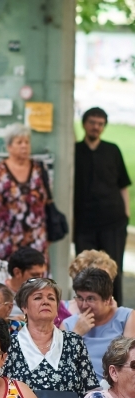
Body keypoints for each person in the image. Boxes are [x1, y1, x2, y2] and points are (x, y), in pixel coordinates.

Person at [0, 278, 98, 398]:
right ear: (24, 307)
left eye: (51, 298)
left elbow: (91, 389)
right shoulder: (8, 344)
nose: (45, 301)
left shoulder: (74, 341)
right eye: (38, 297)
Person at [75, 107, 131, 304]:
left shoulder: (112, 150)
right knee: (84, 272)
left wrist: (126, 213)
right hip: (84, 223)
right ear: (84, 124)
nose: (96, 127)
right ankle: (86, 309)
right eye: (92, 122)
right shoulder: (74, 151)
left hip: (113, 221)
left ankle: (116, 310)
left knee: (113, 271)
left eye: (100, 124)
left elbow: (123, 184)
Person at [0, 124, 49, 261]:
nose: (24, 146)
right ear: (9, 147)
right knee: (8, 270)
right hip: (7, 236)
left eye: (27, 142)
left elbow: (45, 198)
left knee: (36, 271)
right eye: (19, 142)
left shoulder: (39, 169)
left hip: (35, 235)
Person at [63, 268, 135, 380]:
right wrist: (75, 335)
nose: (84, 305)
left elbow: (129, 362)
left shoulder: (126, 317)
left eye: (90, 299)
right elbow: (61, 365)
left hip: (114, 385)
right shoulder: (68, 324)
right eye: (80, 298)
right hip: (79, 386)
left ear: (107, 300)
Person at [4, 246, 47, 318]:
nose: (40, 279)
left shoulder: (46, 294)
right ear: (17, 272)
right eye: (35, 275)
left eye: (42, 274)